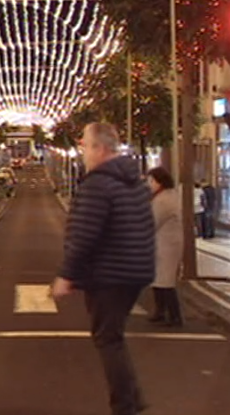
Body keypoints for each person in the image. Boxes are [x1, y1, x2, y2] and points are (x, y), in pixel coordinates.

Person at [51, 122, 155, 415]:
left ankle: (125, 405)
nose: (82, 151)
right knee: (114, 336)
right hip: (134, 270)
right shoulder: (134, 181)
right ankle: (132, 398)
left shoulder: (98, 184)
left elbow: (84, 234)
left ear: (99, 148)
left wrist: (66, 274)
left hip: (109, 273)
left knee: (108, 340)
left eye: (85, 144)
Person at [146, 167, 184, 327]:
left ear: (160, 182)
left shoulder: (163, 200)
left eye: (151, 181)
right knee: (159, 279)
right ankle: (160, 311)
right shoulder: (165, 196)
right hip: (163, 244)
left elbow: (151, 222)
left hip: (167, 245)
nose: (149, 184)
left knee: (165, 281)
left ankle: (175, 316)